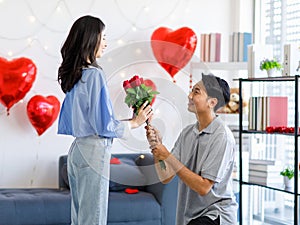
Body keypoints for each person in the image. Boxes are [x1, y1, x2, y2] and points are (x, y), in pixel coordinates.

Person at [57, 15, 153, 225]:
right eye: (103, 36)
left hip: (77, 150)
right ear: (91, 39)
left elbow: (94, 120)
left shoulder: (76, 74)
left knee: (80, 217)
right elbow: (103, 125)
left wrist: (129, 120)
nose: (106, 42)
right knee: (94, 218)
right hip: (93, 153)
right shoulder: (94, 75)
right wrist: (135, 123)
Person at [146, 74, 238, 225]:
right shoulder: (187, 133)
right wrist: (156, 148)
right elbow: (165, 176)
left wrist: (168, 155)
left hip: (215, 215)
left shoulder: (222, 137)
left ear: (212, 102)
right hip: (190, 217)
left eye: (196, 92)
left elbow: (203, 187)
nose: (189, 96)